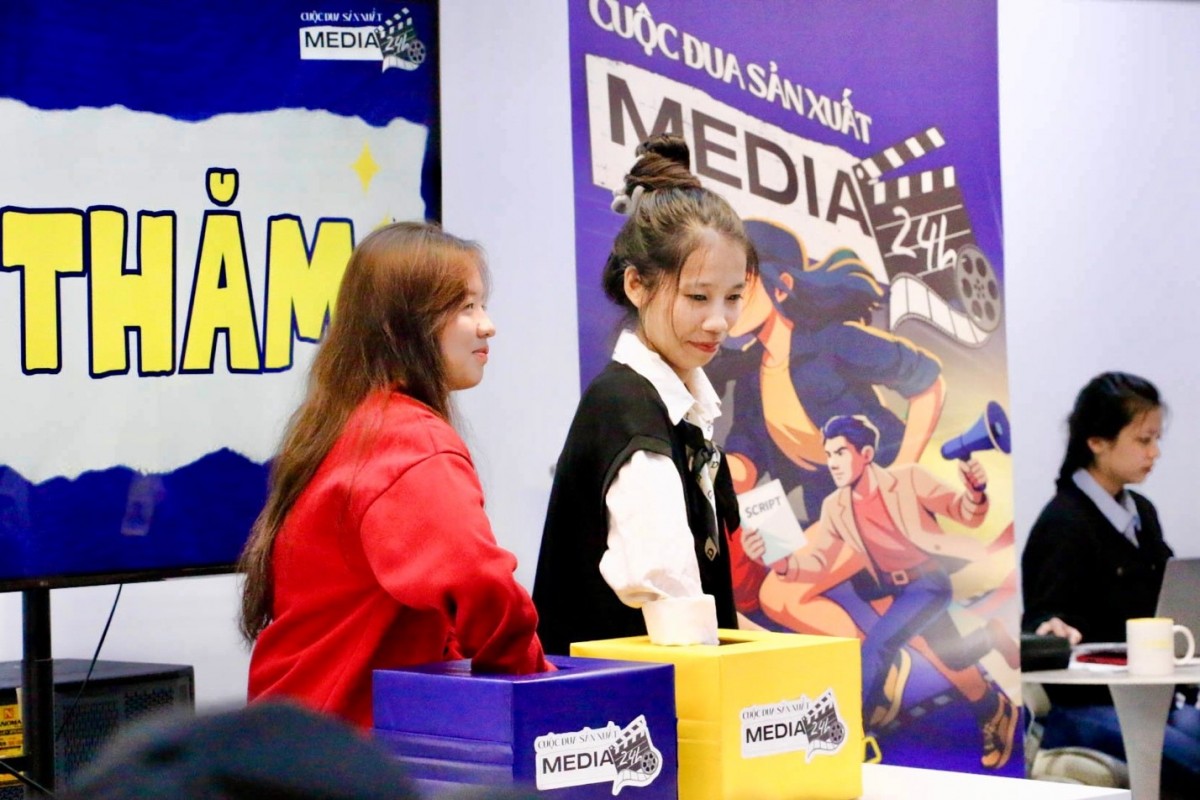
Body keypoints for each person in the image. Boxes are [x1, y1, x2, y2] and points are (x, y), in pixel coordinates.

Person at [239, 221, 549, 729]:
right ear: (399, 325)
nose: (487, 325)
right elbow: (479, 582)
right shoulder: (408, 438)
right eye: (466, 307)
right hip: (345, 747)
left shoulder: (348, 421)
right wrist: (534, 687)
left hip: (297, 740)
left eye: (482, 304)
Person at [532, 134, 759, 654]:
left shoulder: (675, 405)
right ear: (636, 285)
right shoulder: (628, 409)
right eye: (697, 297)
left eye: (733, 297)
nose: (719, 321)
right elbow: (672, 605)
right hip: (622, 701)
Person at [744, 414, 1019, 768]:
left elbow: (965, 513)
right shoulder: (835, 506)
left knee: (877, 647)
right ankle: (992, 639)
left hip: (928, 583)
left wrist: (975, 492)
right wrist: (781, 563)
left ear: (866, 453)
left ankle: (853, 737)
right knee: (955, 658)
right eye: (829, 455)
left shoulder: (908, 479)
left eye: (841, 453)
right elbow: (818, 561)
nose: (833, 463)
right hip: (894, 588)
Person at [1022, 371, 1200, 791]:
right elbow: (1043, 621)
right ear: (1097, 441)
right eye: (1143, 440)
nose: (1155, 452)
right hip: (1084, 708)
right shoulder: (1063, 523)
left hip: (1152, 700)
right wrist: (1051, 627)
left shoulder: (1141, 513)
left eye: (1156, 439)